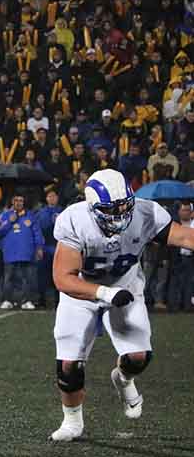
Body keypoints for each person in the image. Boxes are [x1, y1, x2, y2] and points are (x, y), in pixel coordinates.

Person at [50, 169, 194, 441]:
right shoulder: (74, 219)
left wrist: (115, 292)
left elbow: (185, 237)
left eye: (124, 206)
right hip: (82, 290)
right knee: (69, 367)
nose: (119, 215)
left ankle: (123, 378)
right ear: (93, 208)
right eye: (110, 209)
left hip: (126, 285)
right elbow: (62, 278)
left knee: (139, 358)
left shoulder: (146, 212)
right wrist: (103, 292)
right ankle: (72, 421)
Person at [0, 194, 44, 310]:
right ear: (12, 202)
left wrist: (39, 248)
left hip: (27, 253)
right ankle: (7, 300)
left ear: (24, 202)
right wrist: (10, 222)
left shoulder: (30, 216)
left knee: (27, 278)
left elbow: (37, 233)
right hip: (10, 253)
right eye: (16, 200)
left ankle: (27, 300)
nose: (18, 203)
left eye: (21, 200)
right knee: (8, 278)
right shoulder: (5, 215)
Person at [35, 189, 64, 308]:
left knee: (59, 275)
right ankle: (42, 300)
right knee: (43, 275)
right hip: (45, 247)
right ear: (46, 198)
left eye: (54, 196)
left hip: (58, 247)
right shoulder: (41, 212)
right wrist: (39, 247)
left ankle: (59, 301)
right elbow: (38, 230)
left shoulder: (63, 211)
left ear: (57, 198)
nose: (52, 198)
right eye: (49, 196)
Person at [167, 201, 194, 312]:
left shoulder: (193, 224)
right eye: (184, 210)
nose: (186, 212)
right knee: (175, 282)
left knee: (189, 282)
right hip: (176, 257)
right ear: (179, 211)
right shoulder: (175, 224)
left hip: (190, 258)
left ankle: (187, 305)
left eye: (188, 210)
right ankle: (174, 306)